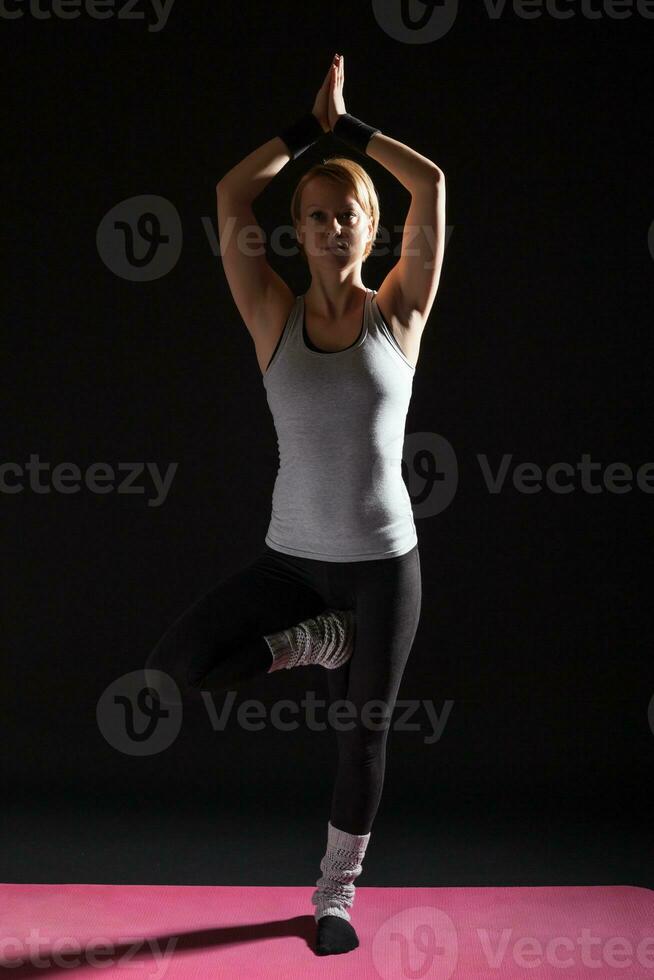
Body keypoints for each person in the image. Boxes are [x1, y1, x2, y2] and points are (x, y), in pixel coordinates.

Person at [144, 52, 446, 957]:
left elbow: (430, 182)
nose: (327, 228)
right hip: (293, 562)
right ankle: (320, 641)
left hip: (385, 568)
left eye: (345, 214)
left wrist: (349, 128)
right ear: (299, 231)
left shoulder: (401, 310)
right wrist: (306, 132)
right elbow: (233, 197)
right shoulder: (271, 315)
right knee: (184, 661)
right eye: (313, 217)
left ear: (370, 227)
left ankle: (335, 895)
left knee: (360, 740)